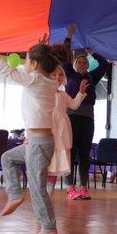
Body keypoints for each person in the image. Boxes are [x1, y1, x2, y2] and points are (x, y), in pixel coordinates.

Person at [0, 31, 62, 234]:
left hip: (38, 144)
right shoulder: (51, 81)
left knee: (36, 186)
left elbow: (8, 70)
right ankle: (15, 195)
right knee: (7, 158)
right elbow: (45, 67)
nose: (24, 64)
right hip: (36, 142)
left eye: (27, 60)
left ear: (34, 65)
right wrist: (41, 48)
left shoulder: (34, 79)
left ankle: (48, 226)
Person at [62, 24, 109, 200]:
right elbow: (65, 55)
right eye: (79, 62)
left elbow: (104, 64)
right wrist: (69, 36)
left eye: (84, 62)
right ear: (74, 64)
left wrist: (91, 52)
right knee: (70, 151)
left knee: (84, 153)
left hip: (88, 118)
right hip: (71, 116)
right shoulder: (69, 73)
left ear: (87, 65)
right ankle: (70, 187)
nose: (82, 64)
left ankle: (83, 187)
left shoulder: (92, 77)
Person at [46, 66, 88, 195]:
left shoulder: (63, 94)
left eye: (60, 75)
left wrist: (81, 92)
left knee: (57, 163)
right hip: (49, 128)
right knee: (48, 161)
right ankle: (44, 194)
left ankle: (49, 195)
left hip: (62, 130)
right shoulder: (44, 92)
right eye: (54, 74)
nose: (58, 77)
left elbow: (74, 105)